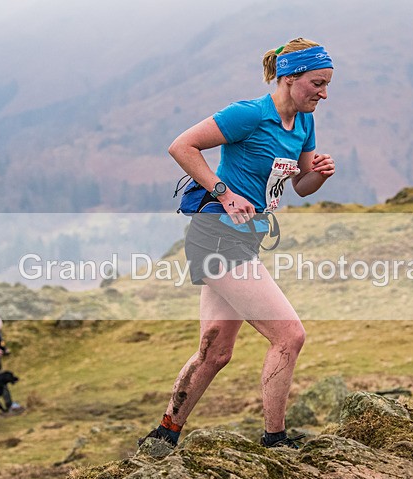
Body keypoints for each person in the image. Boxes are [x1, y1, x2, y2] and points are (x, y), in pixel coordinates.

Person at [139, 37, 335, 449]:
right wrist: (224, 192)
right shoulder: (249, 114)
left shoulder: (304, 122)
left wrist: (319, 173)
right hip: (216, 235)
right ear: (289, 77)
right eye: (317, 83)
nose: (323, 93)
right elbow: (181, 146)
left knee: (215, 351)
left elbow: (301, 185)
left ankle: (163, 436)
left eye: (327, 85)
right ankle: (275, 440)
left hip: (247, 238)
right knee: (289, 336)